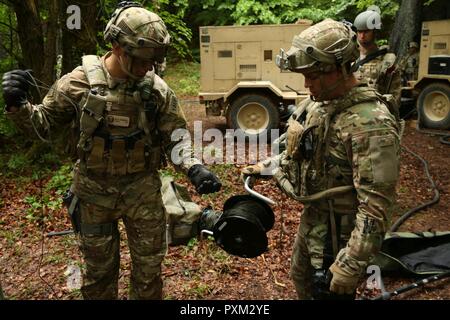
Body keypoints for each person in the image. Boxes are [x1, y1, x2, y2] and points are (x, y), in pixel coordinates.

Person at [1, 2, 221, 300]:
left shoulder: (156, 90)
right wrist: (18, 106)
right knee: (99, 275)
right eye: (141, 59)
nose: (147, 68)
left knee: (148, 272)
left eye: (152, 61)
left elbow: (176, 139)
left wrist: (194, 167)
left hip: (141, 191)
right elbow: (45, 125)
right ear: (117, 46)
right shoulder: (78, 82)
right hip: (93, 193)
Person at [243, 18, 401, 299]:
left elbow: (376, 205)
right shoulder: (318, 104)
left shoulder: (370, 123)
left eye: (314, 75)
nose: (307, 83)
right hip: (313, 223)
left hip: (340, 236)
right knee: (301, 281)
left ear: (340, 68)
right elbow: (297, 148)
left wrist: (350, 263)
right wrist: (269, 165)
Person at [352, 8, 402, 114]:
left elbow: (394, 97)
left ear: (375, 32)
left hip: (376, 117)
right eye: (359, 31)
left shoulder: (387, 62)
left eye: (366, 31)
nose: (362, 35)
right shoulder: (350, 59)